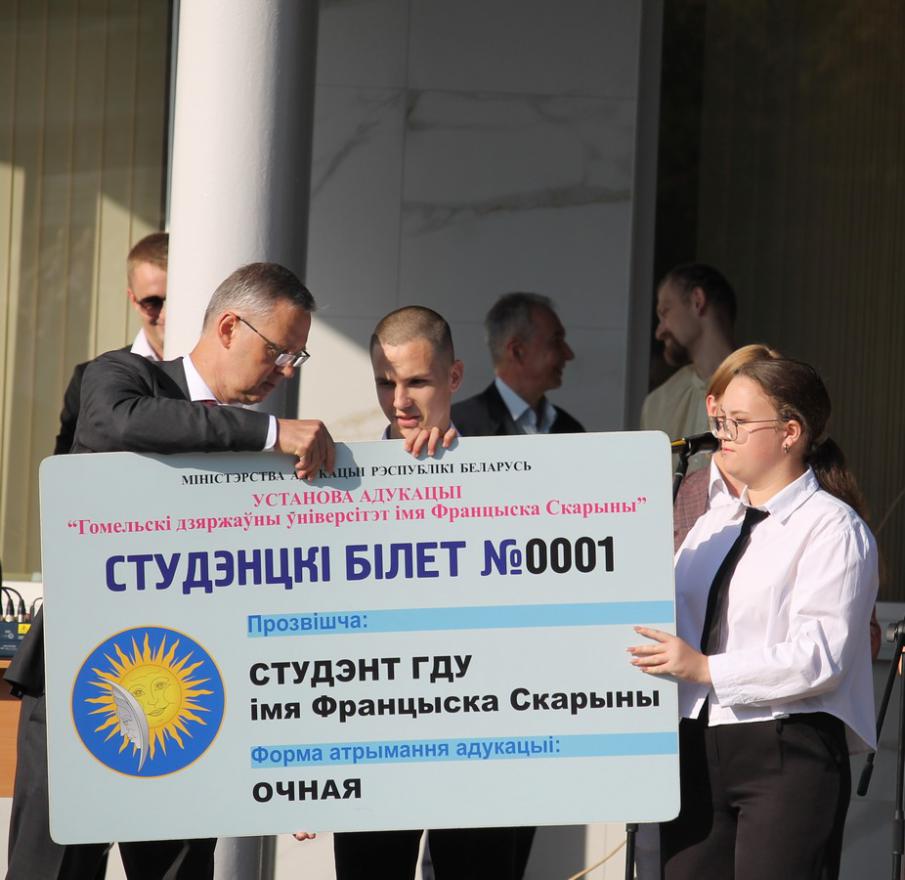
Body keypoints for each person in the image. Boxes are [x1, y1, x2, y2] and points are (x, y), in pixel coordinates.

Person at [6, 262, 337, 880]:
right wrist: (268, 432)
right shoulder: (125, 376)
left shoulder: (273, 457)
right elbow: (116, 422)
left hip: (192, 698)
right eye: (280, 351)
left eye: (297, 357)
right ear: (230, 327)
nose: (286, 371)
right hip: (85, 681)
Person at [629, 357, 879, 880]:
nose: (723, 432)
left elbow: (820, 657)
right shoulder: (711, 524)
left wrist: (706, 669)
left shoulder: (832, 527)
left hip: (785, 746)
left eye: (739, 422)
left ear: (790, 433)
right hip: (694, 742)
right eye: (721, 420)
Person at [330, 306, 528, 880]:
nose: (399, 401)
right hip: (372, 745)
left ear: (455, 377)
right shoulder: (340, 485)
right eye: (384, 382)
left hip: (478, 744)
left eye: (416, 381)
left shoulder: (510, 481)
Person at [54, 231, 169, 454]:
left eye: (174, 299)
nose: (166, 313)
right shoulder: (87, 379)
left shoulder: (225, 375)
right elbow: (66, 469)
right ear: (133, 300)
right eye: (153, 302)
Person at [452, 292, 583, 436]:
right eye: (556, 341)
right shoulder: (457, 428)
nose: (569, 354)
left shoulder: (571, 429)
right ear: (517, 351)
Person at [640, 264, 736, 451]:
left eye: (665, 312)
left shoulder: (766, 390)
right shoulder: (657, 404)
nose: (659, 333)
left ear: (697, 301)